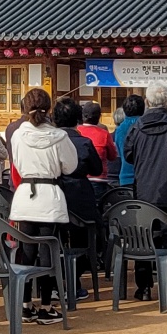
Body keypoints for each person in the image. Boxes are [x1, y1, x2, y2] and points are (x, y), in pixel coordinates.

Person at [9, 89, 76, 324]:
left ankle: (26, 305)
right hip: (49, 195)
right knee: (48, 251)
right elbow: (70, 166)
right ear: (49, 109)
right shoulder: (59, 136)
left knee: (26, 251)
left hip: (25, 195)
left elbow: (17, 163)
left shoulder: (18, 134)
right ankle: (46, 306)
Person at [123, 83, 167, 302]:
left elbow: (128, 155)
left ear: (147, 102)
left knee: (143, 239)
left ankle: (144, 288)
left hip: (144, 192)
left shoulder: (137, 128)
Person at [51, 98, 104, 300]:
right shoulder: (83, 142)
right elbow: (97, 169)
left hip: (53, 195)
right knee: (85, 239)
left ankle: (55, 284)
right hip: (80, 197)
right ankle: (75, 281)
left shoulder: (49, 141)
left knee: (54, 240)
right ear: (78, 119)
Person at [77, 102, 118, 202]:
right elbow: (112, 156)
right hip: (99, 180)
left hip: (79, 178)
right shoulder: (104, 134)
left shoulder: (76, 131)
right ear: (99, 116)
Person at [114, 94, 145, 188]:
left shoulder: (120, 129)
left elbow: (120, 152)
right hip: (144, 176)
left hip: (125, 176)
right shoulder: (145, 126)